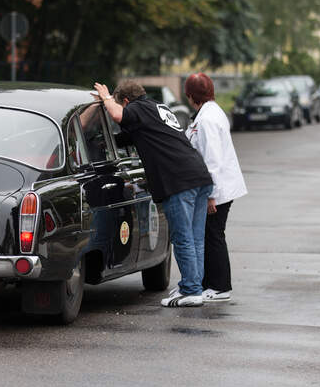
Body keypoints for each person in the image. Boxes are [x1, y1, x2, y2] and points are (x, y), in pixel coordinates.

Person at [93, 80, 213, 307]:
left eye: (121, 104)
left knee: (182, 237)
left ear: (126, 101)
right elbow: (128, 136)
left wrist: (106, 98)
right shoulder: (158, 108)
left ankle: (191, 289)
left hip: (178, 181)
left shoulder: (137, 108)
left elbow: (119, 116)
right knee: (196, 238)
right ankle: (194, 285)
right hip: (198, 175)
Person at [183, 73, 247, 302]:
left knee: (213, 235)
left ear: (190, 96)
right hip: (219, 186)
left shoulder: (207, 119)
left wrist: (211, 195)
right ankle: (209, 283)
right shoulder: (210, 112)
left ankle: (220, 287)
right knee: (210, 234)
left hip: (217, 189)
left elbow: (213, 160)